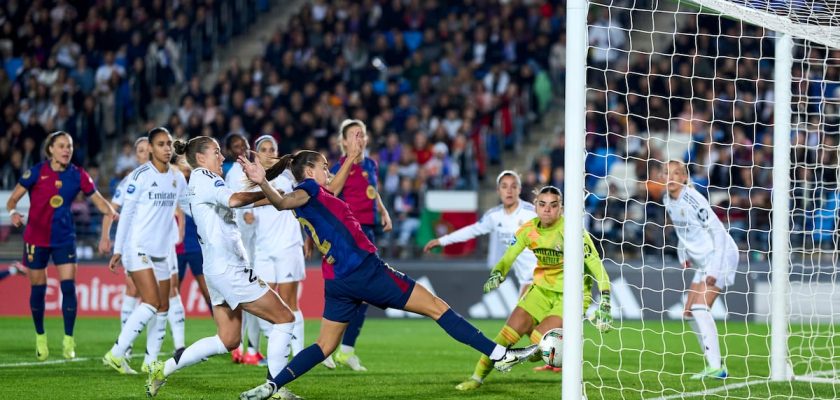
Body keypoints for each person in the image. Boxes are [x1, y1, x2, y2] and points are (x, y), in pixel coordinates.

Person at [236, 144, 538, 400]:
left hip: (340, 281)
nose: (328, 171)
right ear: (311, 172)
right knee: (436, 307)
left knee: (325, 346)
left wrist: (264, 187)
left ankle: (273, 385)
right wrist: (263, 182)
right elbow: (282, 201)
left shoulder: (314, 195)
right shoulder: (309, 189)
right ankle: (499, 354)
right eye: (325, 166)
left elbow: (287, 200)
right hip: (365, 270)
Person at [145, 136, 298, 400]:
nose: (222, 157)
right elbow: (235, 200)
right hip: (230, 269)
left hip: (217, 269)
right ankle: (276, 389)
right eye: (216, 152)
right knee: (285, 318)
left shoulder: (198, 181)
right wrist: (267, 190)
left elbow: (238, 200)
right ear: (201, 158)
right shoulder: (205, 176)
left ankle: (164, 368)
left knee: (228, 340)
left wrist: (273, 197)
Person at [454, 185, 614, 390]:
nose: (547, 209)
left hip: (570, 296)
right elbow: (508, 257)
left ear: (561, 209)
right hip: (540, 290)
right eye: (542, 204)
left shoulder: (572, 231)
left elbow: (595, 265)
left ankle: (528, 355)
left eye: (553, 205)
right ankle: (476, 379)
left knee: (542, 340)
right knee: (505, 335)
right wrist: (498, 273)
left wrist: (606, 299)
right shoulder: (528, 230)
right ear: (535, 207)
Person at [6, 131, 118, 361]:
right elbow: (12, 199)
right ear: (50, 150)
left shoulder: (78, 175)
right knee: (38, 290)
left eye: (69, 146)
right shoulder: (36, 172)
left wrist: (108, 223)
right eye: (61, 146)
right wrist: (13, 212)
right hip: (36, 238)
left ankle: (68, 340)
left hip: (64, 238)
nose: (67, 150)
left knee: (69, 287)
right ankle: (40, 336)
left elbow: (101, 203)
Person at [102, 127, 187, 374]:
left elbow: (187, 205)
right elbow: (125, 213)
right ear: (150, 148)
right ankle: (116, 353)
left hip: (162, 250)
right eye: (161, 144)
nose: (167, 148)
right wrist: (118, 249)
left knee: (163, 306)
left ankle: (150, 361)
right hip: (137, 247)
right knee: (150, 301)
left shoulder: (177, 177)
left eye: (169, 143)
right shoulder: (139, 176)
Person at [324, 119, 393, 371]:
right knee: (352, 292)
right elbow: (330, 196)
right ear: (343, 142)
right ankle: (329, 348)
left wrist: (384, 211)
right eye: (353, 135)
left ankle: (344, 351)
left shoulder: (371, 164)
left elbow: (373, 191)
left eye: (361, 134)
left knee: (363, 296)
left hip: (369, 232)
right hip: (350, 234)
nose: (359, 139)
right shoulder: (340, 166)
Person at [664, 160, 737, 380]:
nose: (671, 177)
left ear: (684, 178)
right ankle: (713, 363)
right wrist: (682, 254)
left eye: (676, 173)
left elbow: (720, 234)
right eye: (666, 173)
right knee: (688, 313)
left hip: (720, 256)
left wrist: (715, 269)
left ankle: (717, 368)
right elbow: (682, 231)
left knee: (699, 308)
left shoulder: (694, 199)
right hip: (702, 261)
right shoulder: (667, 199)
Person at [424, 170, 538, 296]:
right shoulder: (494, 216)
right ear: (498, 191)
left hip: (541, 275)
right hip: (523, 279)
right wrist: (442, 240)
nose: (509, 191)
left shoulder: (532, 213)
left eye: (513, 186)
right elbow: (471, 230)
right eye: (504, 186)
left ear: (519, 190)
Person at [252, 135, 306, 358]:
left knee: (289, 302)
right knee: (261, 301)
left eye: (271, 148)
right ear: (256, 154)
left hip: (287, 245)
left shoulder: (289, 176)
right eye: (263, 149)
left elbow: (306, 200)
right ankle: (278, 349)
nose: (268, 153)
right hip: (262, 247)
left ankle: (299, 353)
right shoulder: (251, 179)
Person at [100, 136, 150, 360]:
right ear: (136, 155)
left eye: (148, 149)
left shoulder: (166, 177)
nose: (145, 153)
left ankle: (136, 349)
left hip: (156, 245)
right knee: (135, 291)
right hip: (134, 244)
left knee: (151, 296)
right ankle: (124, 348)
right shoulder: (132, 179)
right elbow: (112, 208)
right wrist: (106, 237)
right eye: (140, 150)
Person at [224, 135, 263, 365]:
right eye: (236, 147)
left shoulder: (255, 170)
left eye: (244, 144)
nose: (242, 149)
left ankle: (248, 349)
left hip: (258, 242)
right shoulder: (234, 175)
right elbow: (231, 203)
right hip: (243, 245)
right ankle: (242, 348)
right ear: (231, 151)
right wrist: (245, 213)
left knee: (249, 297)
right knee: (247, 297)